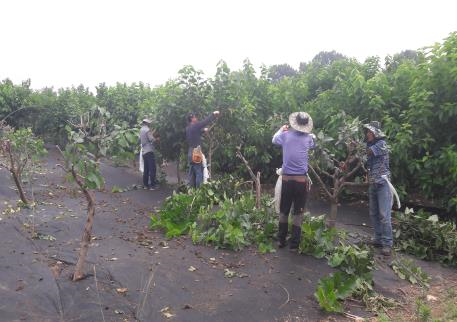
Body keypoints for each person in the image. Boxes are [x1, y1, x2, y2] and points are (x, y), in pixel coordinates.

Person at [272, 112, 315, 250]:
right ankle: (294, 244)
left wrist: (281, 129)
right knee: (298, 212)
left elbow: (274, 140)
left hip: (287, 180)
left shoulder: (285, 136)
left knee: (284, 210)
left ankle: (281, 240)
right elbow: (314, 143)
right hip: (301, 181)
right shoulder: (308, 138)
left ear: (294, 123)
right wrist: (312, 136)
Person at [364, 121, 393, 256]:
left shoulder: (381, 145)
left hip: (382, 184)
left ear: (375, 133)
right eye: (367, 132)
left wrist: (356, 146)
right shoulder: (370, 145)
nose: (367, 134)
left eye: (369, 132)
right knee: (373, 213)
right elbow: (367, 163)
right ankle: (378, 239)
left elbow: (368, 152)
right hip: (373, 183)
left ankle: (387, 243)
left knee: (384, 215)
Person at [186, 110, 220, 188]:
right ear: (192, 118)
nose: (196, 118)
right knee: (199, 172)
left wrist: (203, 131)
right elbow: (205, 122)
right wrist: (213, 114)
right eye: (195, 117)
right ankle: (199, 191)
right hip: (196, 152)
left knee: (191, 172)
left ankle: (191, 190)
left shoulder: (188, 128)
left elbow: (195, 133)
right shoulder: (196, 125)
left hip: (190, 152)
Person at [140, 118, 158, 190]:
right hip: (149, 151)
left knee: (146, 168)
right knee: (152, 168)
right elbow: (151, 139)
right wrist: (156, 139)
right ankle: (152, 185)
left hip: (144, 151)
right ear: (147, 123)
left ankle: (145, 185)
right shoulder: (147, 130)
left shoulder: (141, 130)